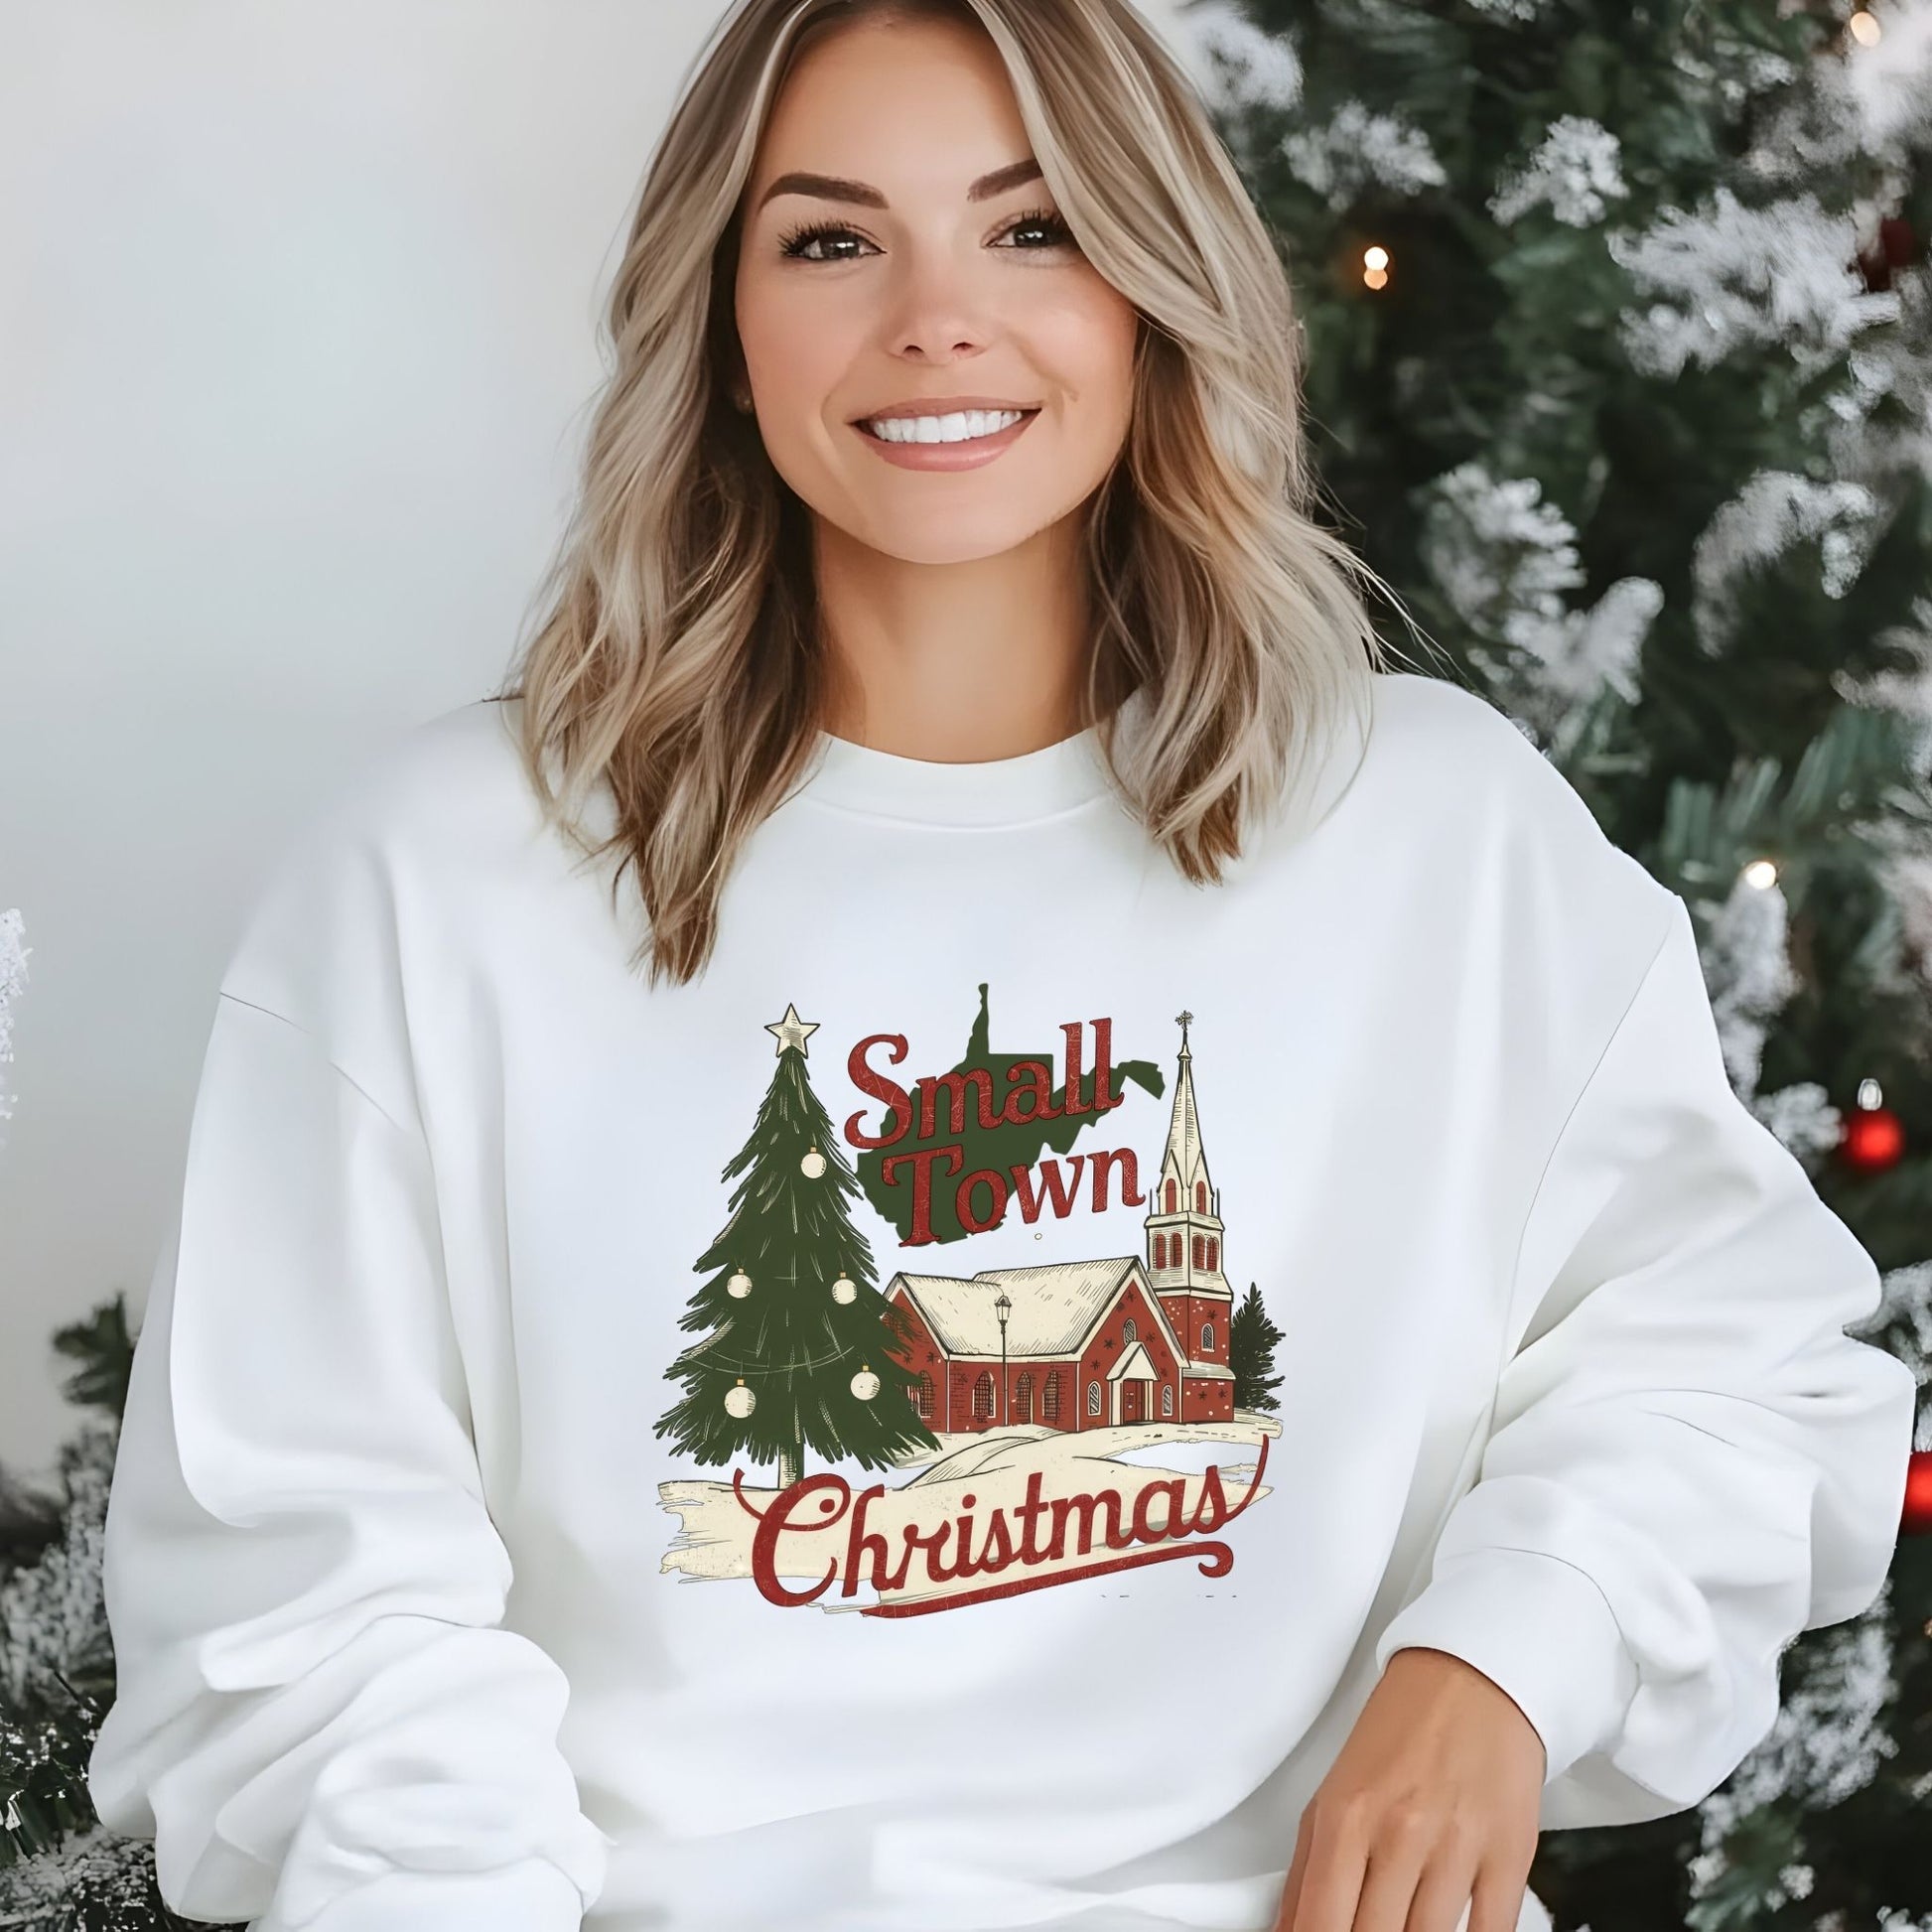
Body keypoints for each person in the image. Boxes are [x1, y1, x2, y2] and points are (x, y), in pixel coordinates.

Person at [84, 2, 1916, 1930]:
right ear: (719, 325)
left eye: (1030, 226)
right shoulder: (441, 880)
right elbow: (306, 1604)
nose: (934, 317)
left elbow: (1743, 1366)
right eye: (828, 236)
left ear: (1149, 283)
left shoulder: (1435, 837)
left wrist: (1495, 1669)